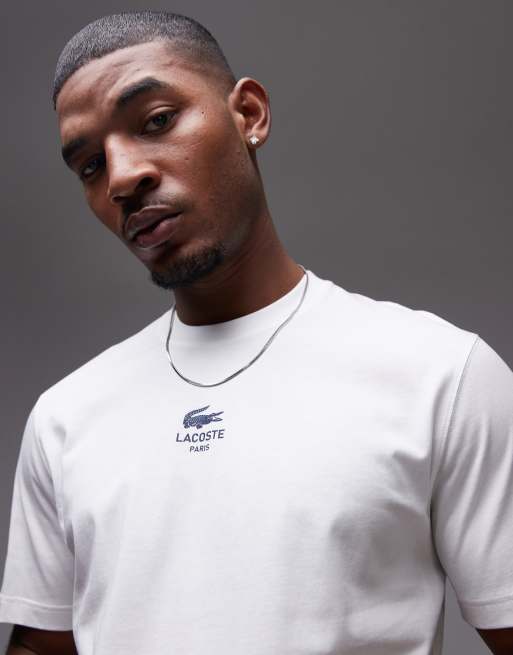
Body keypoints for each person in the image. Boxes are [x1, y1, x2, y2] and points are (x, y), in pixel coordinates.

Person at [0, 10, 512, 655]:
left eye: (156, 121)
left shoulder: (443, 375)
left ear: (249, 114)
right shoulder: (65, 418)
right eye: (89, 166)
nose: (123, 177)